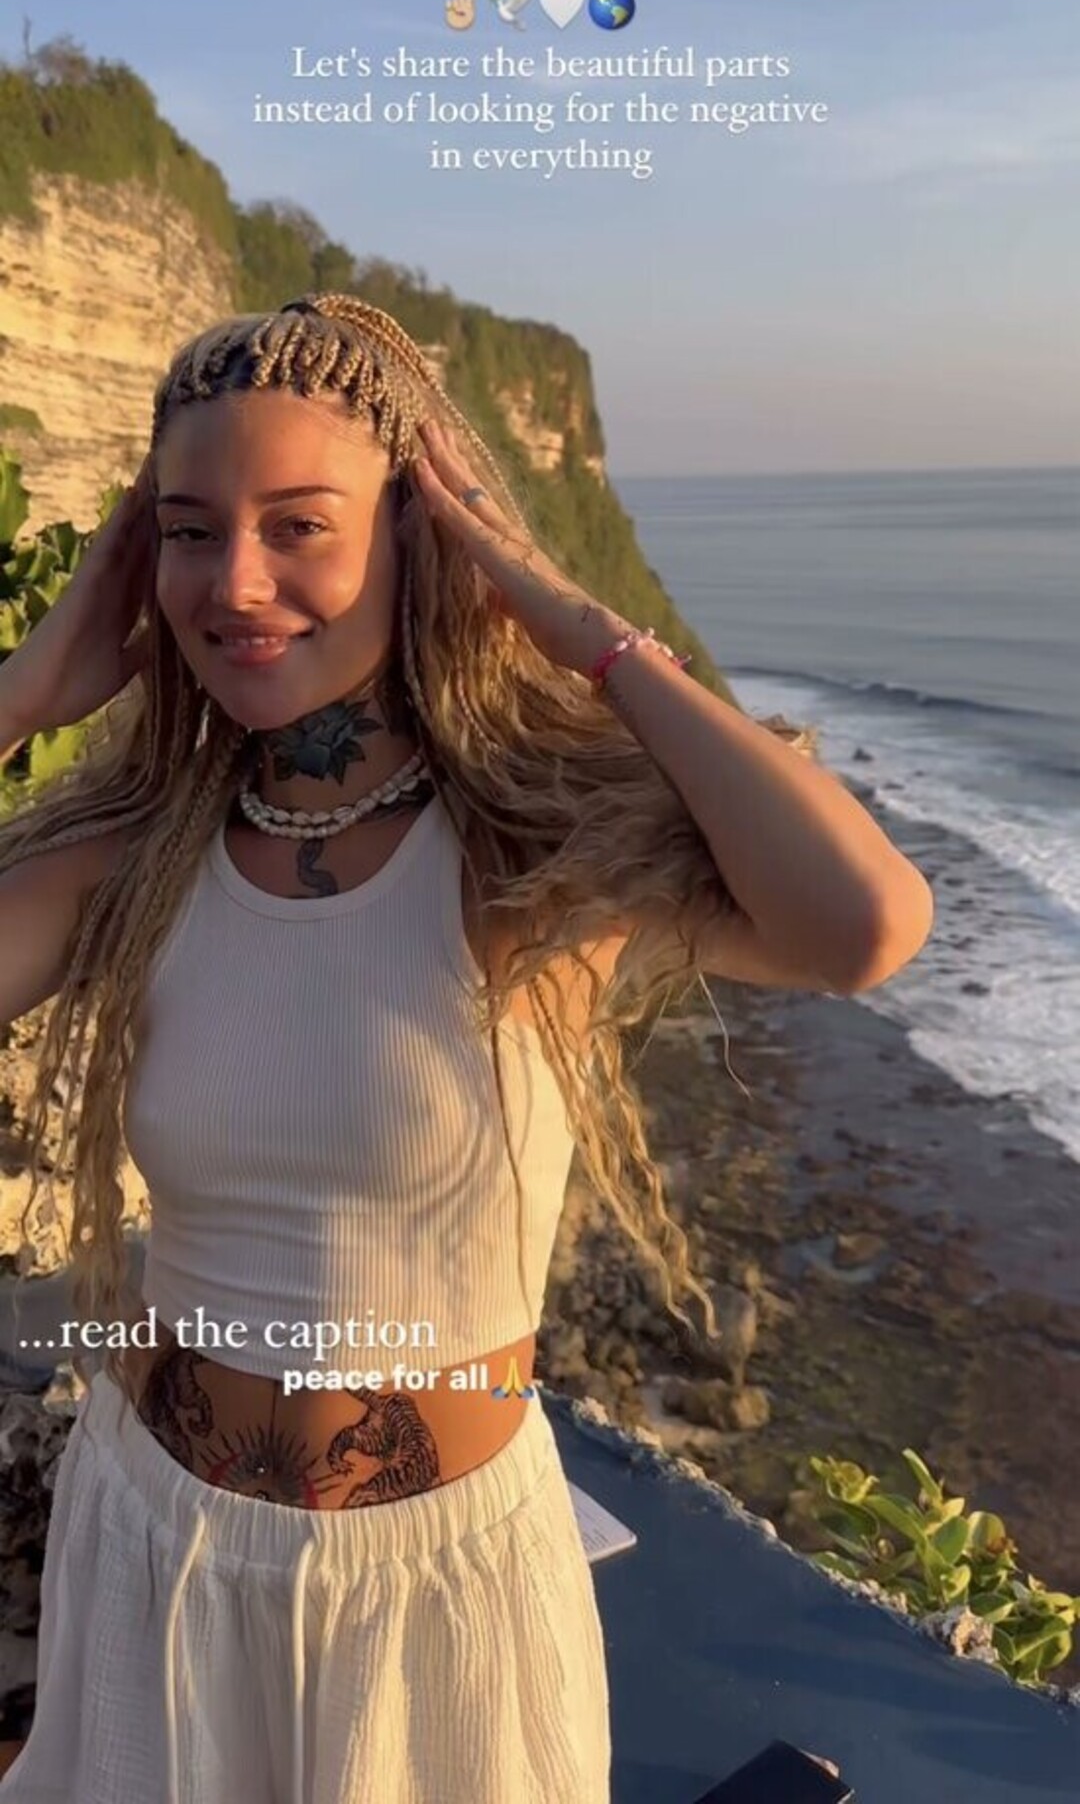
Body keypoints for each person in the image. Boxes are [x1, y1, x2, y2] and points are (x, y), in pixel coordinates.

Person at [0, 295, 928, 1801]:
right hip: (159, 1553)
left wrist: (583, 633)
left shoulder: (535, 856)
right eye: (188, 532)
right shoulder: (139, 859)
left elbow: (865, 922)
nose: (235, 581)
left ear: (422, 536)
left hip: (431, 1599)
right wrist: (29, 693)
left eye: (300, 525)